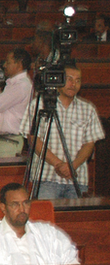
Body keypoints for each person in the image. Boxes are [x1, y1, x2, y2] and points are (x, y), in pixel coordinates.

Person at [20, 64, 104, 199]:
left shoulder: (88, 109)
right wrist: (59, 164)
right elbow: (33, 138)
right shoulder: (39, 105)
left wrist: (72, 166)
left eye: (78, 80)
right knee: (46, 219)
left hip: (77, 179)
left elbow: (90, 143)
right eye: (69, 79)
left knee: (73, 219)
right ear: (58, 79)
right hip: (46, 178)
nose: (73, 84)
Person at [0, 183, 79, 265]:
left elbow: (71, 263)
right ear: (3, 207)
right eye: (15, 205)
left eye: (26, 203)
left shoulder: (49, 233)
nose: (22, 209)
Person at [0, 48, 33, 158]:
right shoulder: (12, 84)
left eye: (8, 62)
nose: (4, 65)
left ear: (19, 65)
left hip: (7, 143)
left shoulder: (22, 85)